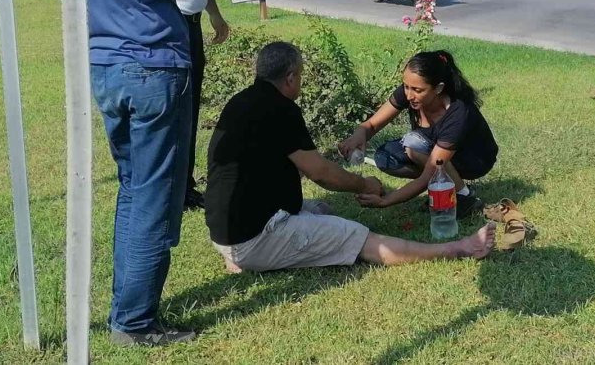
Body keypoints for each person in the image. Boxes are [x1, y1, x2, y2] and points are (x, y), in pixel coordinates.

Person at [8, 0, 255, 347]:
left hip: (104, 67)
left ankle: (129, 308)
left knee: (134, 187)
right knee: (152, 197)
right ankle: (135, 322)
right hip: (154, 66)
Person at [205, 42, 496, 273]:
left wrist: (386, 195)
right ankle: (460, 248)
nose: (409, 94)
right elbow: (321, 172)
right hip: (253, 236)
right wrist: (365, 185)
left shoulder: (242, 101)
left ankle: (241, 254)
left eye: (417, 89)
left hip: (225, 229)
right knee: (360, 237)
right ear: (291, 78)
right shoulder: (281, 109)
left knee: (321, 210)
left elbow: (433, 169)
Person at [339, 51, 498, 217]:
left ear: (438, 88)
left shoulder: (458, 112)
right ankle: (444, 186)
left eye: (417, 90)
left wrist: (387, 200)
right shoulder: (410, 93)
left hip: (475, 159)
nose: (409, 95)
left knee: (413, 145)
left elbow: (429, 172)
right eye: (406, 86)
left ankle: (464, 197)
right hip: (436, 151)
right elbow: (371, 124)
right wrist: (358, 136)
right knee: (386, 157)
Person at [162, 0, 231, 210]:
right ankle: (172, 189)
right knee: (173, 112)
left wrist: (214, 13)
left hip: (192, 23)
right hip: (168, 25)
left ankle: (184, 186)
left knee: (189, 109)